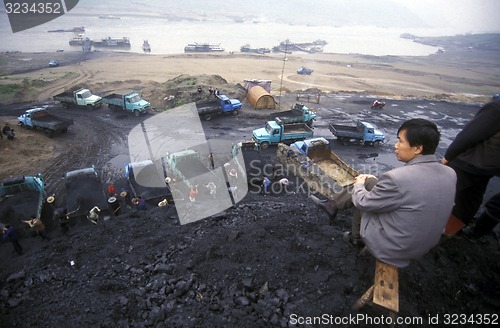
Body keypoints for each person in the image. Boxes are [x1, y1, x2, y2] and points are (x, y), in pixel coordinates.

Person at [310, 119, 457, 268]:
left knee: (362, 195)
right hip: (424, 242)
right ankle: (333, 206)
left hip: (394, 249)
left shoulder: (398, 177)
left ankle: (356, 237)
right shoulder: (450, 173)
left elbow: (363, 202)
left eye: (400, 141)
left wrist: (359, 185)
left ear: (418, 148)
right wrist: (372, 181)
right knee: (370, 183)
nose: (395, 145)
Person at [441, 100, 500, 227]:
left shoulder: (496, 108)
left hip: (469, 161)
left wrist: (448, 156)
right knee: (471, 198)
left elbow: (470, 135)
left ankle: (430, 228)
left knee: (443, 192)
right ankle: (456, 228)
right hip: (490, 166)